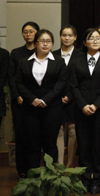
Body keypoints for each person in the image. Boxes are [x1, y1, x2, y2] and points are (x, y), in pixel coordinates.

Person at [70, 28, 100, 195]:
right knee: (84, 145)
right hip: (81, 110)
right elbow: (73, 85)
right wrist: (83, 105)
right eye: (91, 38)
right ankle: (85, 179)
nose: (96, 41)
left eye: (98, 38)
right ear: (84, 42)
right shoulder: (76, 61)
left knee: (99, 145)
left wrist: (96, 105)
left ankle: (96, 179)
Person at [15, 29, 68, 171]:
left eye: (48, 41)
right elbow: (19, 83)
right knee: (32, 144)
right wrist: (32, 99)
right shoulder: (24, 62)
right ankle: (34, 176)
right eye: (42, 41)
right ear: (36, 43)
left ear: (52, 43)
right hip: (30, 108)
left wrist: (45, 100)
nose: (45, 44)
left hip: (52, 108)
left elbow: (62, 82)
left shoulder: (59, 61)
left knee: (50, 144)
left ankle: (50, 176)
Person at [9, 21, 39, 177]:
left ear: (37, 33)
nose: (28, 34)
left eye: (31, 31)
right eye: (25, 32)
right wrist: (17, 96)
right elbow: (11, 77)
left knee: (35, 137)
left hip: (36, 101)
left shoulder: (42, 52)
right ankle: (22, 170)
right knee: (21, 136)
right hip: (19, 101)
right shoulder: (16, 53)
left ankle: (35, 169)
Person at [54, 25, 83, 168]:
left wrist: (70, 96)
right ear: (60, 37)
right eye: (64, 35)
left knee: (73, 131)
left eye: (70, 35)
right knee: (59, 130)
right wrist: (58, 95)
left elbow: (81, 79)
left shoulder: (81, 55)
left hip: (74, 97)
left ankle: (70, 164)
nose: (67, 38)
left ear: (75, 37)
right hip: (56, 98)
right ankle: (60, 164)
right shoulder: (53, 54)